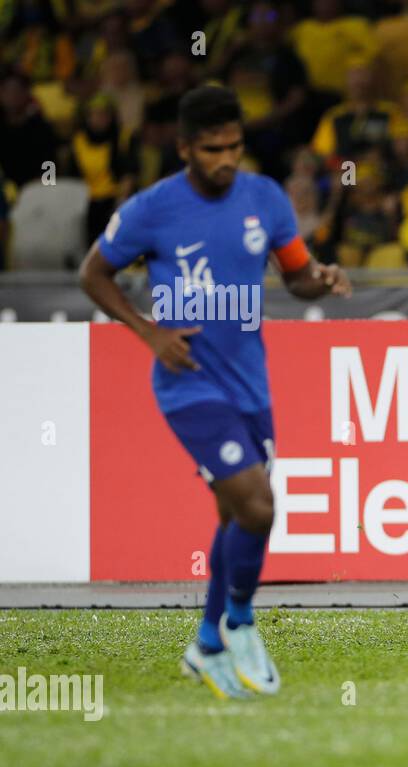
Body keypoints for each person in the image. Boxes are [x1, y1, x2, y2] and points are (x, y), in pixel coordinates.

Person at [78, 86, 352, 700]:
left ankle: (204, 646)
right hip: (188, 383)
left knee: (234, 514)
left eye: (234, 146)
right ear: (184, 149)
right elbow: (92, 273)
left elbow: (296, 275)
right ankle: (241, 621)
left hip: (250, 383)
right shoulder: (152, 209)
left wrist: (322, 277)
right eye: (212, 149)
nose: (226, 159)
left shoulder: (264, 197)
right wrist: (148, 333)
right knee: (258, 507)